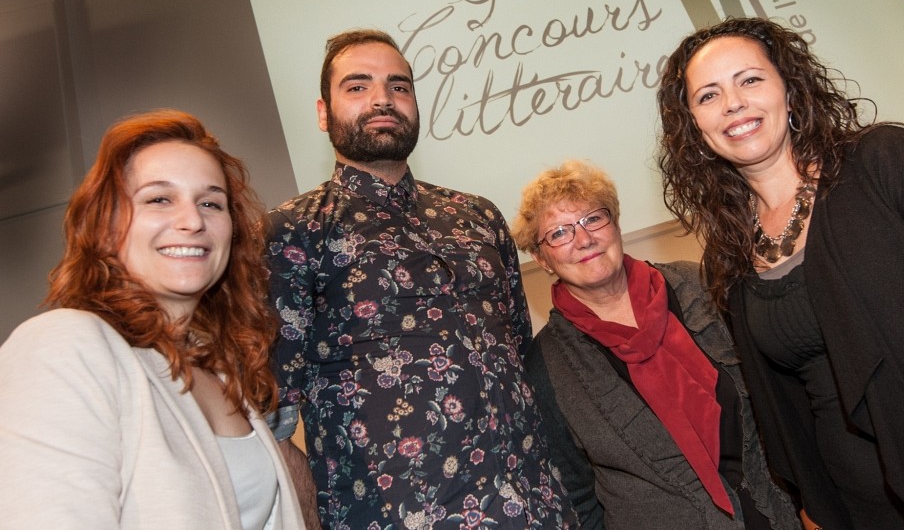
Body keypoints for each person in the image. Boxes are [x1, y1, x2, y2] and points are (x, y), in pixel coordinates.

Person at [656, 17, 904, 530]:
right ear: (697, 131)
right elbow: (785, 409)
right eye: (708, 95)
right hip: (860, 505)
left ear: (790, 93)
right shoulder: (727, 257)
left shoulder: (885, 163)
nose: (732, 103)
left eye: (749, 80)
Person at [265, 29, 575, 530]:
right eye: (358, 86)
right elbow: (275, 417)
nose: (382, 99)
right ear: (323, 112)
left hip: (538, 507)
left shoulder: (476, 215)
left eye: (399, 85)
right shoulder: (292, 233)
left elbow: (517, 352)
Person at [0, 110, 306, 530]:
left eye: (211, 203)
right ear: (108, 224)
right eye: (159, 198)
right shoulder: (62, 346)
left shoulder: (218, 369)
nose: (192, 221)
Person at [509, 160, 798, 530]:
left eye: (593, 219)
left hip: (775, 514)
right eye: (559, 233)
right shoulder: (546, 366)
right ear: (542, 258)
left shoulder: (700, 286)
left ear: (615, 223)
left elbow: (775, 401)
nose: (583, 240)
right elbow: (576, 496)